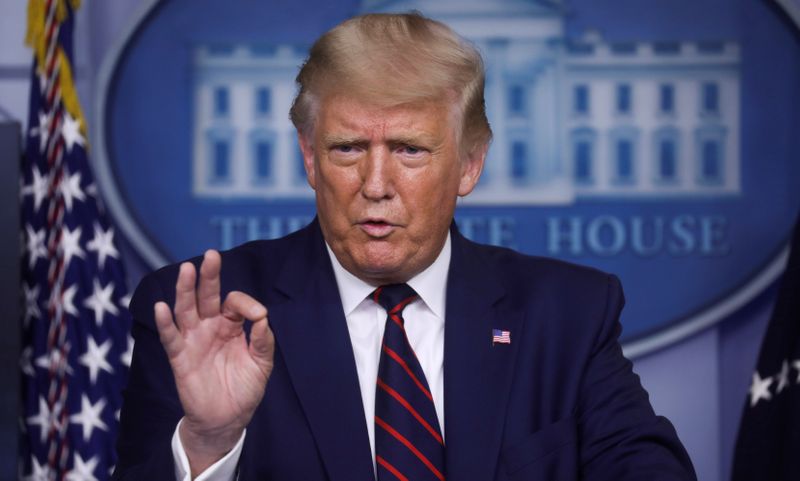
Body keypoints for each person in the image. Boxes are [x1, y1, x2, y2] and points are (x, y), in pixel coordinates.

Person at [113, 12, 696, 481]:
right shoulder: (207, 313)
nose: (375, 185)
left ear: (470, 164)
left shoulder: (566, 314)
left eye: (409, 150)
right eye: (346, 149)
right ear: (310, 159)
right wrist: (210, 443)